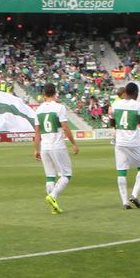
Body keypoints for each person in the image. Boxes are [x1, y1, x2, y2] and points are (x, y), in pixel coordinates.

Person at [32, 82, 78, 212]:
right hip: (57, 145)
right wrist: (74, 144)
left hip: (45, 146)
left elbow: (37, 132)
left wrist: (36, 149)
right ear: (55, 92)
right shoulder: (59, 107)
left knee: (50, 176)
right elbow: (65, 127)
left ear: (43, 94)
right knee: (66, 175)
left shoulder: (38, 110)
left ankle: (53, 206)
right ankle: (52, 196)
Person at [109, 81, 140, 208]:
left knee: (122, 171)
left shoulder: (116, 105)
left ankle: (125, 202)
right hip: (133, 141)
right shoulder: (139, 105)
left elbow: (112, 122)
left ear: (125, 92)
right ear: (136, 93)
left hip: (120, 141)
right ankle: (135, 195)